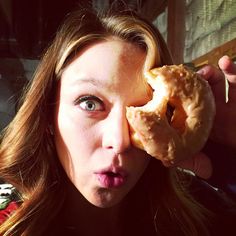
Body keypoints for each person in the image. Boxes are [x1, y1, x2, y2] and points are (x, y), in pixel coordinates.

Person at [0, 8, 235, 236]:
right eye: (89, 103)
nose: (120, 141)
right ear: (48, 114)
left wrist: (228, 162)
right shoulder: (8, 221)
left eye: (145, 112)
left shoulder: (202, 213)